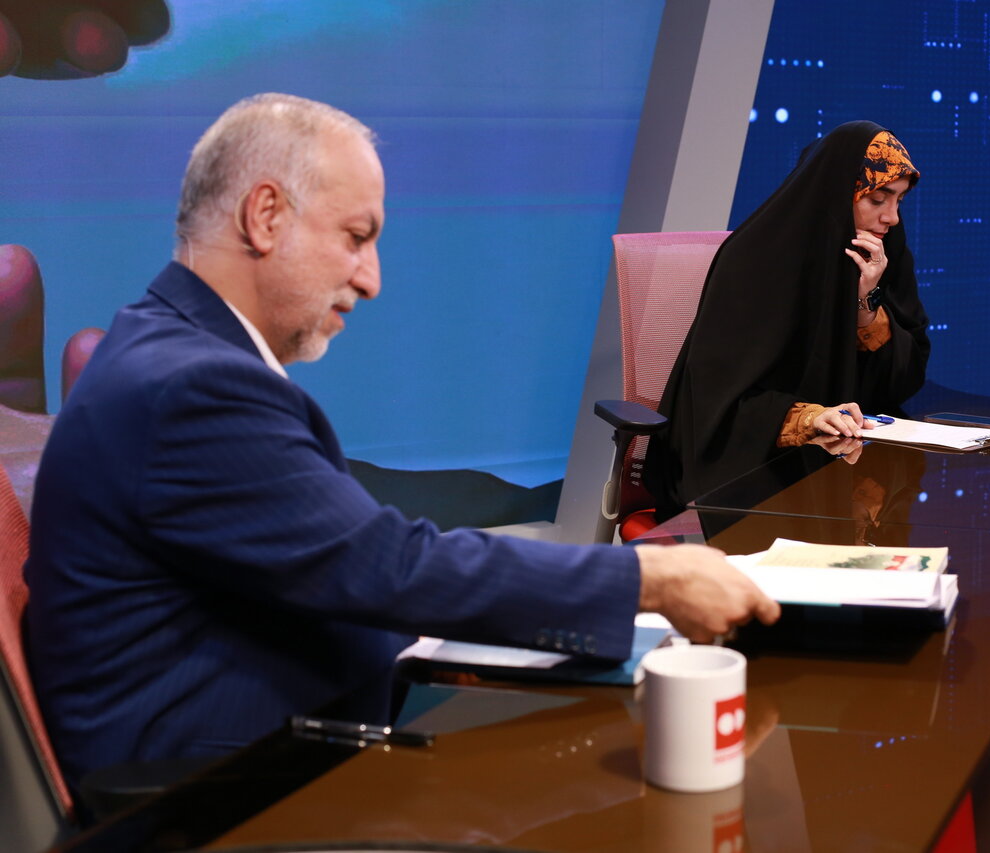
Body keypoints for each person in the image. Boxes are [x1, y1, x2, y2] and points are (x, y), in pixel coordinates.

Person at [23, 93, 779, 788]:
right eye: (356, 238)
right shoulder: (191, 386)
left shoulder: (178, 354)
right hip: (219, 789)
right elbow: (384, 565)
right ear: (265, 216)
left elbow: (347, 566)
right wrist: (648, 578)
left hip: (299, 731)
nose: (372, 279)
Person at [644, 121, 929, 519]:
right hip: (753, 462)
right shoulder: (757, 259)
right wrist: (809, 418)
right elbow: (717, 398)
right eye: (877, 199)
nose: (892, 218)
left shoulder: (884, 256)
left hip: (848, 452)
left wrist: (866, 303)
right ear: (836, 193)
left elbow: (906, 379)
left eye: (899, 200)